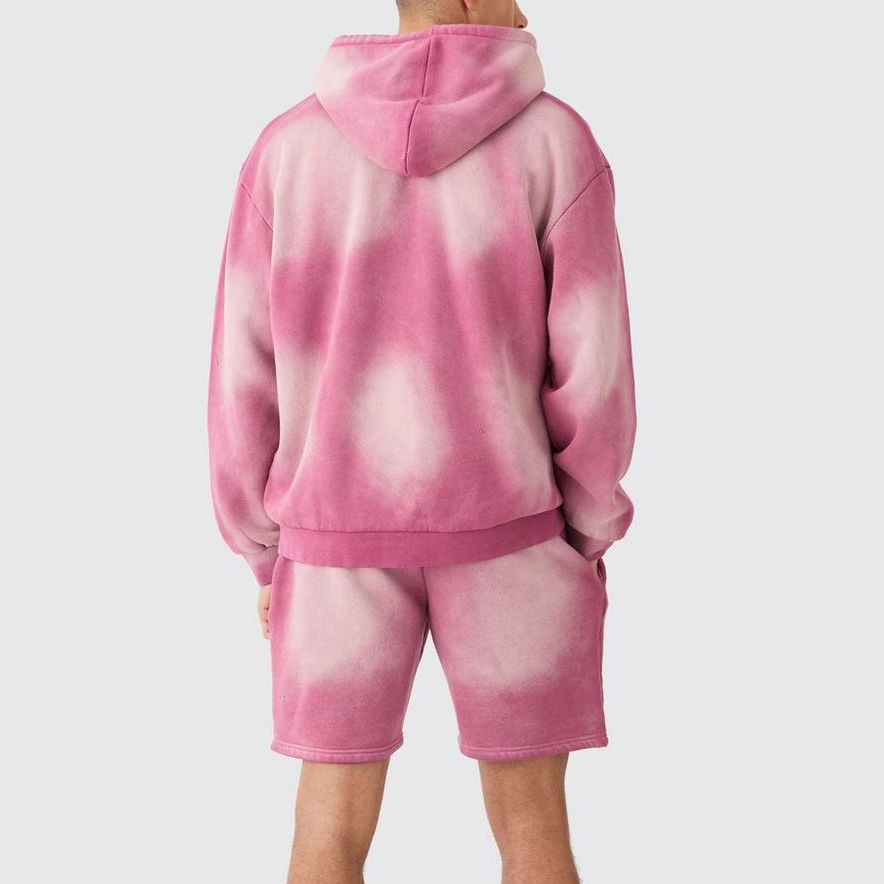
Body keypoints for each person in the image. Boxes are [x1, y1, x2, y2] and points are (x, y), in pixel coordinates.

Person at [208, 0, 636, 880]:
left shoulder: (289, 150)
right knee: (533, 826)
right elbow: (594, 371)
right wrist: (589, 531)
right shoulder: (555, 144)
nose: (526, 7)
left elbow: (241, 379)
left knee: (326, 831)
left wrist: (267, 553)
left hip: (333, 548)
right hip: (516, 538)